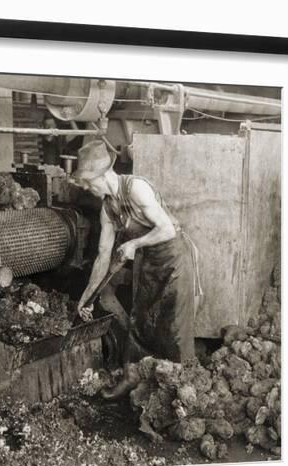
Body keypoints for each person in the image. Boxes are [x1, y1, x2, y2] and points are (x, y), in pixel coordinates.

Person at [73, 140, 201, 399]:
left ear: (105, 174)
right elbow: (102, 255)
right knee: (139, 320)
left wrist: (135, 243)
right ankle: (132, 376)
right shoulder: (108, 207)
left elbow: (167, 229)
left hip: (174, 258)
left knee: (174, 327)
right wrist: (87, 296)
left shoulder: (136, 188)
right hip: (148, 262)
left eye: (89, 182)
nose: (87, 188)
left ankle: (181, 395)